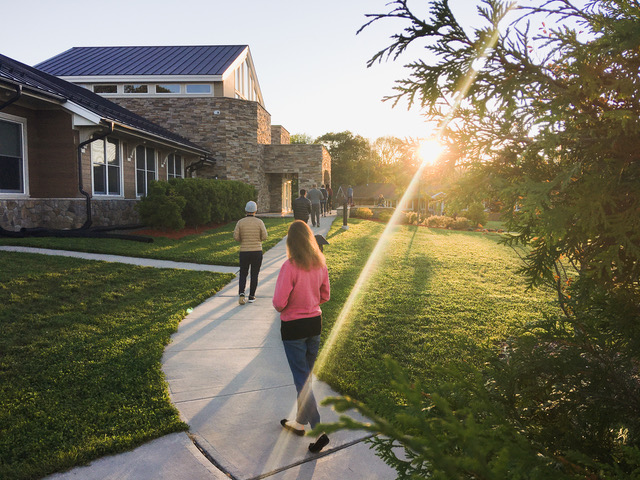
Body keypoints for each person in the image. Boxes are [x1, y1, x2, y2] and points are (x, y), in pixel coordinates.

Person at [273, 220, 331, 453]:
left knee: (301, 379)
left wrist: (291, 305)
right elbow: (325, 295)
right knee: (305, 376)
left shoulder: (290, 266)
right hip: (314, 325)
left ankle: (319, 430)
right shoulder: (320, 264)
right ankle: (299, 421)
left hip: (294, 328)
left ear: (291, 241)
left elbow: (278, 303)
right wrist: (310, 302)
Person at [233, 201, 268, 305]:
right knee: (254, 274)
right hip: (257, 251)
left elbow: (236, 236)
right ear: (255, 210)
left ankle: (241, 293)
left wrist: (242, 240)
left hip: (244, 251)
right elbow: (265, 236)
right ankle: (252, 296)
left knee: (243, 273)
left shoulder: (240, 222)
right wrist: (258, 240)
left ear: (245, 210)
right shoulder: (259, 222)